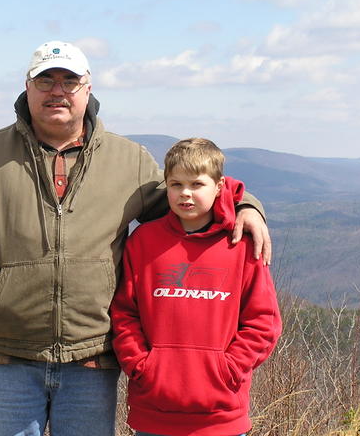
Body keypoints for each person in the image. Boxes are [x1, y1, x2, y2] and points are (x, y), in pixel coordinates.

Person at [0, 41, 271, 436]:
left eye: (69, 81)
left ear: (87, 89)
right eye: (46, 80)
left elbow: (189, 198)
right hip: (7, 353)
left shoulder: (127, 160)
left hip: (91, 357)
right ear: (27, 87)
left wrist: (246, 205)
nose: (57, 90)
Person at [110, 138, 282, 436]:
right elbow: (125, 313)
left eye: (197, 184)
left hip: (220, 415)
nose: (185, 193)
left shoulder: (240, 245)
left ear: (219, 187)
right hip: (154, 411)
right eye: (176, 184)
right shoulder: (144, 241)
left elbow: (263, 321)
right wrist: (141, 367)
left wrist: (227, 370)